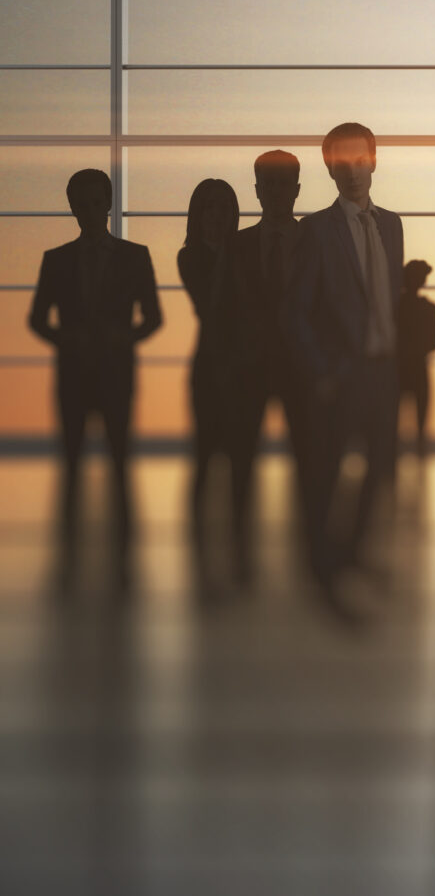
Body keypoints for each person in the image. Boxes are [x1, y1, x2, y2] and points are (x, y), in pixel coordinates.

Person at [289, 124, 407, 611]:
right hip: (342, 372)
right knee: (329, 473)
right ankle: (323, 572)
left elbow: (388, 298)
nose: (354, 172)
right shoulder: (315, 230)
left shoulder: (393, 224)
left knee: (379, 469)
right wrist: (324, 370)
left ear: (374, 161)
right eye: (343, 163)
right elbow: (294, 310)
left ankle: (353, 554)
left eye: (361, 160)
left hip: (384, 370)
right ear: (331, 169)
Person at [28, 170, 162, 591]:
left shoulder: (136, 255)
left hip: (114, 374)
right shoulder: (57, 259)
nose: (88, 211)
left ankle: (122, 560)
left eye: (94, 202)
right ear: (72, 208)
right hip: (75, 375)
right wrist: (68, 339)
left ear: (107, 203)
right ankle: (70, 556)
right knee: (72, 468)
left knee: (119, 465)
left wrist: (122, 337)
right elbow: (36, 319)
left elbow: (153, 318)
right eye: (80, 204)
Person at [236, 150, 311, 571]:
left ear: (297, 190)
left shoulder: (316, 243)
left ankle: (308, 544)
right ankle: (241, 546)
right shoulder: (238, 244)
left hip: (302, 367)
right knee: (243, 460)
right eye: (269, 185)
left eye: (285, 185)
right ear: (258, 191)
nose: (277, 193)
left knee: (308, 457)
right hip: (251, 367)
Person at [178, 178, 255, 589]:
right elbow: (210, 306)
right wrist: (229, 254)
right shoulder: (189, 257)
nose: (216, 217)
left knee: (242, 458)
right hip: (209, 368)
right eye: (209, 209)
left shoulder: (246, 253)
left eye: (224, 209)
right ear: (198, 215)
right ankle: (198, 541)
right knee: (205, 455)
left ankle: (242, 542)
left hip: (243, 369)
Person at [396, 259, 435, 472]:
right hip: (414, 367)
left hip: (402, 367)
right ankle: (417, 451)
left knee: (403, 415)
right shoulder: (429, 309)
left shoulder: (396, 306)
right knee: (418, 414)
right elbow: (434, 341)